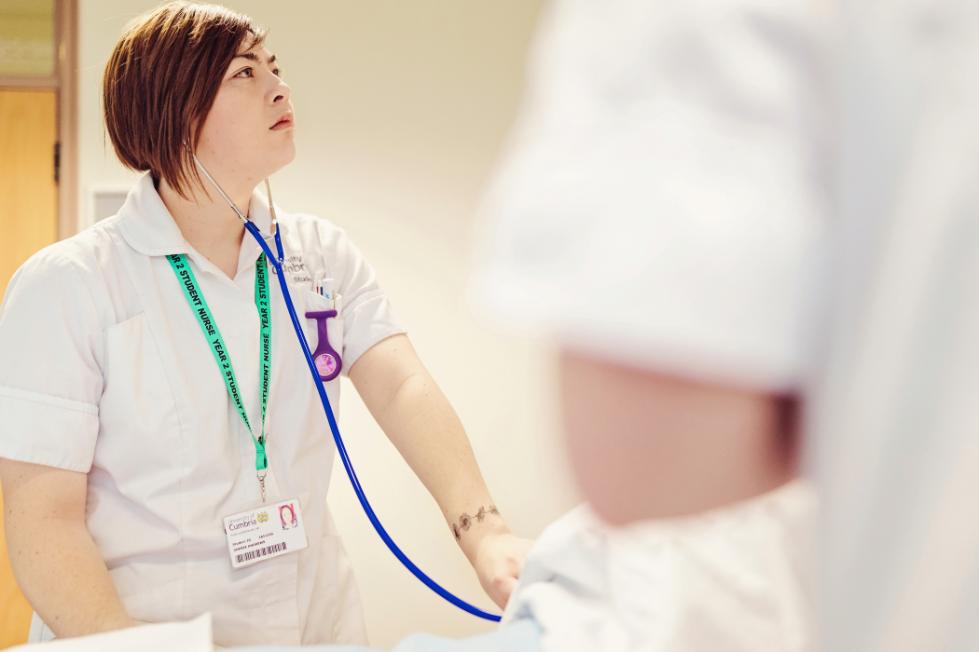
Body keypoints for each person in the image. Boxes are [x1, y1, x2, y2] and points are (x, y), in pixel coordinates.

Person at [0, 2, 529, 647]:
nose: (280, 86)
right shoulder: (70, 285)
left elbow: (401, 388)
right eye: (244, 73)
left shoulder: (319, 255)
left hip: (313, 622)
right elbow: (42, 518)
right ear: (172, 106)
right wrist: (121, 643)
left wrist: (485, 532)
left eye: (273, 66)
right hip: (144, 630)